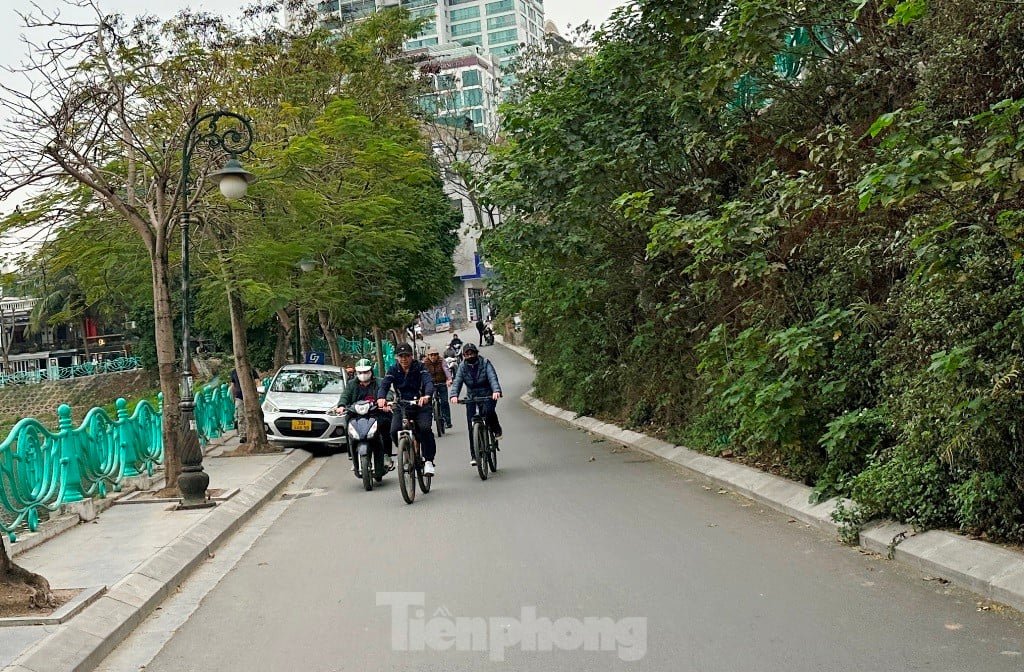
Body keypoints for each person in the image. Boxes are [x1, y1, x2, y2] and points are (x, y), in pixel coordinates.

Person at [377, 343, 438, 476]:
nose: (404, 359)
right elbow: (384, 385)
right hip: (402, 405)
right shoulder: (393, 370)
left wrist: (427, 395)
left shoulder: (420, 367)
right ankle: (404, 451)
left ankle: (428, 461)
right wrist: (381, 398)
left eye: (407, 356)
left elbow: (428, 382)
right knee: (393, 431)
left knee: (425, 429)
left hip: (420, 404)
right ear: (396, 357)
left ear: (412, 356)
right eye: (401, 356)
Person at [449, 342, 502, 467]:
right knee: (471, 425)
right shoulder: (462, 367)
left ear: (476, 353)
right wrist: (454, 395)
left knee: (489, 412)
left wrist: (496, 391)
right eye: (466, 354)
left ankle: (496, 429)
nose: (469, 356)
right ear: (463, 355)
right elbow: (457, 382)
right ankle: (474, 455)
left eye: (471, 353)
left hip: (488, 394)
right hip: (472, 397)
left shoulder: (485, 363)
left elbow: (492, 378)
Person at [336, 358, 393, 472]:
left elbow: (388, 393)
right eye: (360, 372)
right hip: (357, 415)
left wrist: (386, 402)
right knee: (348, 425)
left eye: (366, 372)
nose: (363, 375)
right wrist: (341, 405)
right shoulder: (352, 384)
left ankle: (387, 455)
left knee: (385, 424)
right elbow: (345, 396)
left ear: (371, 371)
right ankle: (352, 456)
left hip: (376, 413)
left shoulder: (379, 382)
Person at [423, 347, 453, 429]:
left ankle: (448, 421)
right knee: (427, 404)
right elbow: (422, 373)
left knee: (444, 402)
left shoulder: (442, 361)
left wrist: (449, 379)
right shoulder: (425, 363)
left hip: (441, 383)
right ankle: (428, 422)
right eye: (431, 355)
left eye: (435, 355)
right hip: (430, 385)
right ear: (428, 356)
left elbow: (446, 370)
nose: (433, 357)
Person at [230, 365, 260, 444]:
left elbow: (257, 381)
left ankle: (253, 433)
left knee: (251, 414)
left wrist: (258, 392)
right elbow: (232, 386)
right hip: (239, 397)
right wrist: (233, 397)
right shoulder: (234, 372)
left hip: (250, 396)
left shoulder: (251, 370)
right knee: (241, 416)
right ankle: (243, 435)